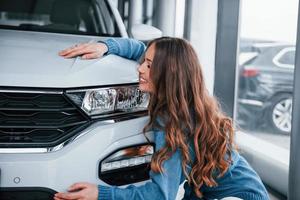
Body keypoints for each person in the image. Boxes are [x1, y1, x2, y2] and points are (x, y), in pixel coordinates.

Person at [55, 37, 269, 200]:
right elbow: (139, 48)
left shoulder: (177, 123)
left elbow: (160, 194)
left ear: (169, 73)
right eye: (144, 62)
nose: (139, 68)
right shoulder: (186, 102)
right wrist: (106, 46)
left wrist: (100, 194)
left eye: (148, 65)